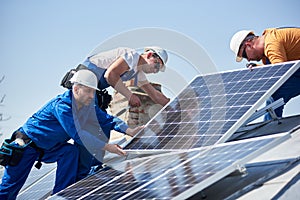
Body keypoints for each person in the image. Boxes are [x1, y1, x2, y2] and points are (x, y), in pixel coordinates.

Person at [0, 69, 140, 199]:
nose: (92, 96)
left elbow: (107, 119)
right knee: (9, 189)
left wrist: (129, 130)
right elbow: (79, 135)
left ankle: (60, 195)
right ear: (76, 89)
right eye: (89, 91)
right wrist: (107, 147)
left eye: (93, 92)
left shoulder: (87, 106)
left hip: (49, 149)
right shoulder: (62, 107)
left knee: (70, 151)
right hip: (27, 147)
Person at [230, 27, 300, 120]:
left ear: (248, 45)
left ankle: (271, 127)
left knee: (275, 94)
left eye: (245, 55)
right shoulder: (266, 52)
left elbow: (281, 72)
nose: (248, 59)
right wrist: (258, 69)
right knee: (275, 93)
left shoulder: (271, 43)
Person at [81, 46, 170, 107]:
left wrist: (174, 106)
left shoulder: (137, 72)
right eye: (156, 66)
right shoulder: (132, 56)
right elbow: (110, 75)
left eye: (158, 69)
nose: (155, 71)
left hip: (91, 88)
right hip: (82, 82)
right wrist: (129, 95)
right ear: (150, 55)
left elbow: (154, 94)